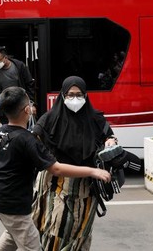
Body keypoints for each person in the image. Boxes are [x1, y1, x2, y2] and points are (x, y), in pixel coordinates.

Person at [0, 87, 111, 251]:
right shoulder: (28, 140)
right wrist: (92, 171)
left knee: (12, 234)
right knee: (32, 245)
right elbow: (57, 169)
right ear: (27, 110)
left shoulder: (2, 131)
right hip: (15, 203)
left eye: (79, 94)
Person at [31, 76, 118, 251]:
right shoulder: (49, 119)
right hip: (56, 184)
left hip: (86, 188)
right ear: (62, 96)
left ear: (86, 96)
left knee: (80, 231)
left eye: (79, 94)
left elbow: (109, 136)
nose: (75, 99)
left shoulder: (95, 119)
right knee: (55, 229)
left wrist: (110, 141)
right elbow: (34, 141)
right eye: (70, 94)